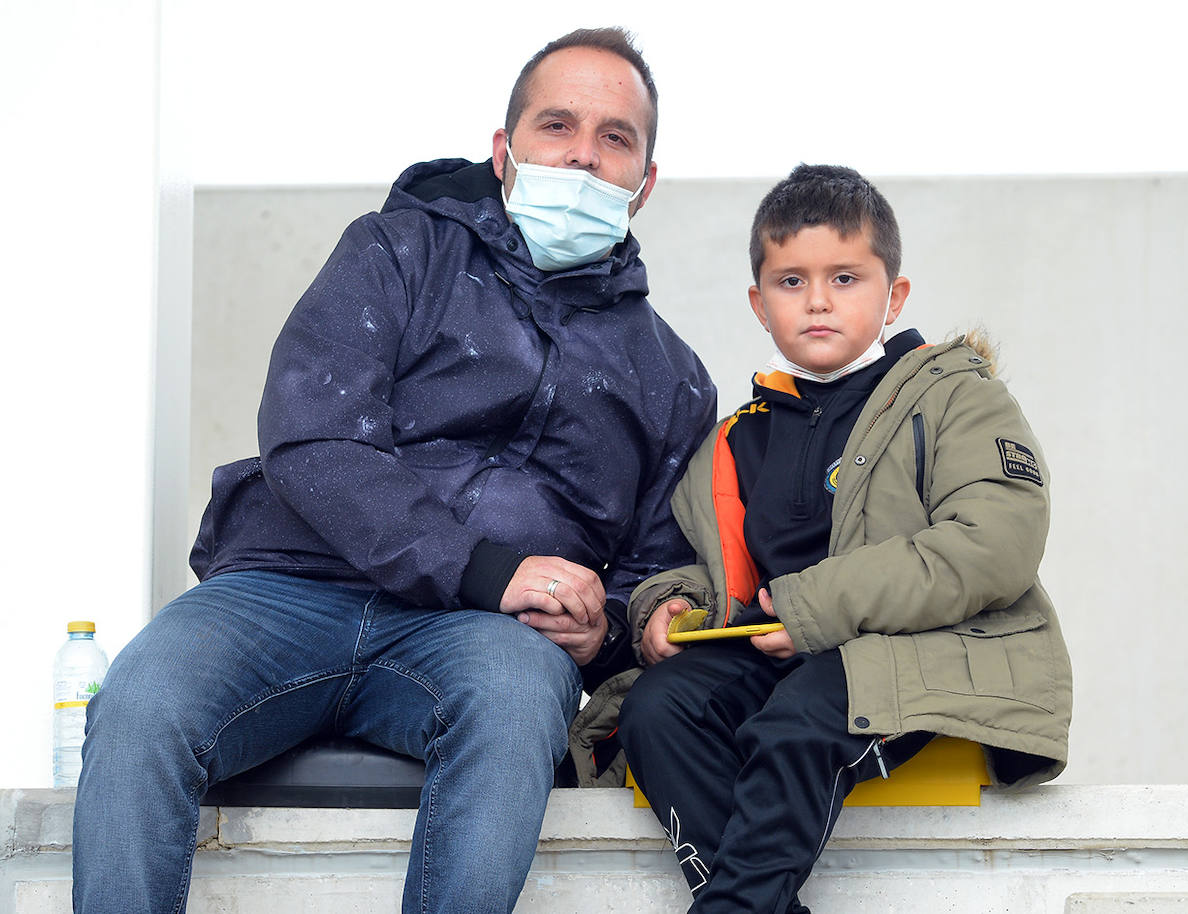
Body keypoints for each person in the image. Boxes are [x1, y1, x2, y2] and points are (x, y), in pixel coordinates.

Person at [72, 27, 716, 914]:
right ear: (504, 151)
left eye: (616, 139)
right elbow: (313, 439)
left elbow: (650, 572)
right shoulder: (395, 252)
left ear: (644, 185)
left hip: (479, 638)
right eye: (556, 125)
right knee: (141, 701)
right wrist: (488, 568)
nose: (582, 155)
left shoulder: (674, 380)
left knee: (518, 703)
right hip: (287, 585)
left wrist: (602, 629)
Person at [617, 164, 1072, 913]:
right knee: (660, 710)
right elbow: (707, 565)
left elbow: (994, 543)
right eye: (791, 282)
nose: (819, 299)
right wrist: (669, 605)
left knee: (797, 726)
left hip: (917, 650)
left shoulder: (957, 398)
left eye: (846, 278)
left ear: (893, 296)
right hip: (774, 656)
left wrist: (814, 608)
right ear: (760, 305)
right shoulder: (738, 438)